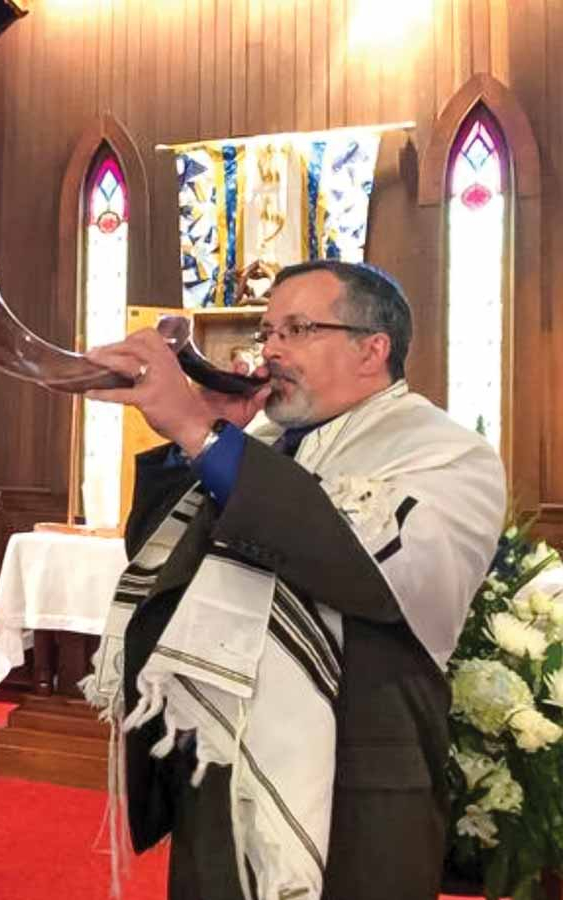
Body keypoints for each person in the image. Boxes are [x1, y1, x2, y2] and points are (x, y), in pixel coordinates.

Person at [81, 261, 506, 900]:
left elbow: (361, 570)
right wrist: (204, 438)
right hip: (223, 760)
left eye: (297, 329)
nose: (270, 349)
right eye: (268, 330)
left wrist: (202, 435)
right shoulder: (264, 442)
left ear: (373, 349)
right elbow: (159, 553)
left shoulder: (446, 452)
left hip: (356, 779)